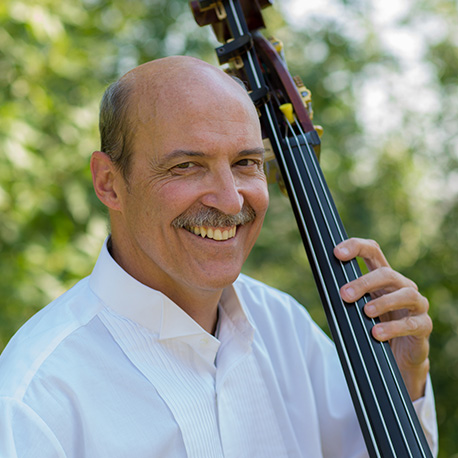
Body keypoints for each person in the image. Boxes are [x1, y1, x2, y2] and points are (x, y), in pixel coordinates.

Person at [0, 56, 437, 457]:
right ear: (109, 183)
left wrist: (401, 384)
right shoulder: (33, 398)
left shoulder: (287, 329)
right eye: (187, 166)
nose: (230, 201)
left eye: (246, 162)